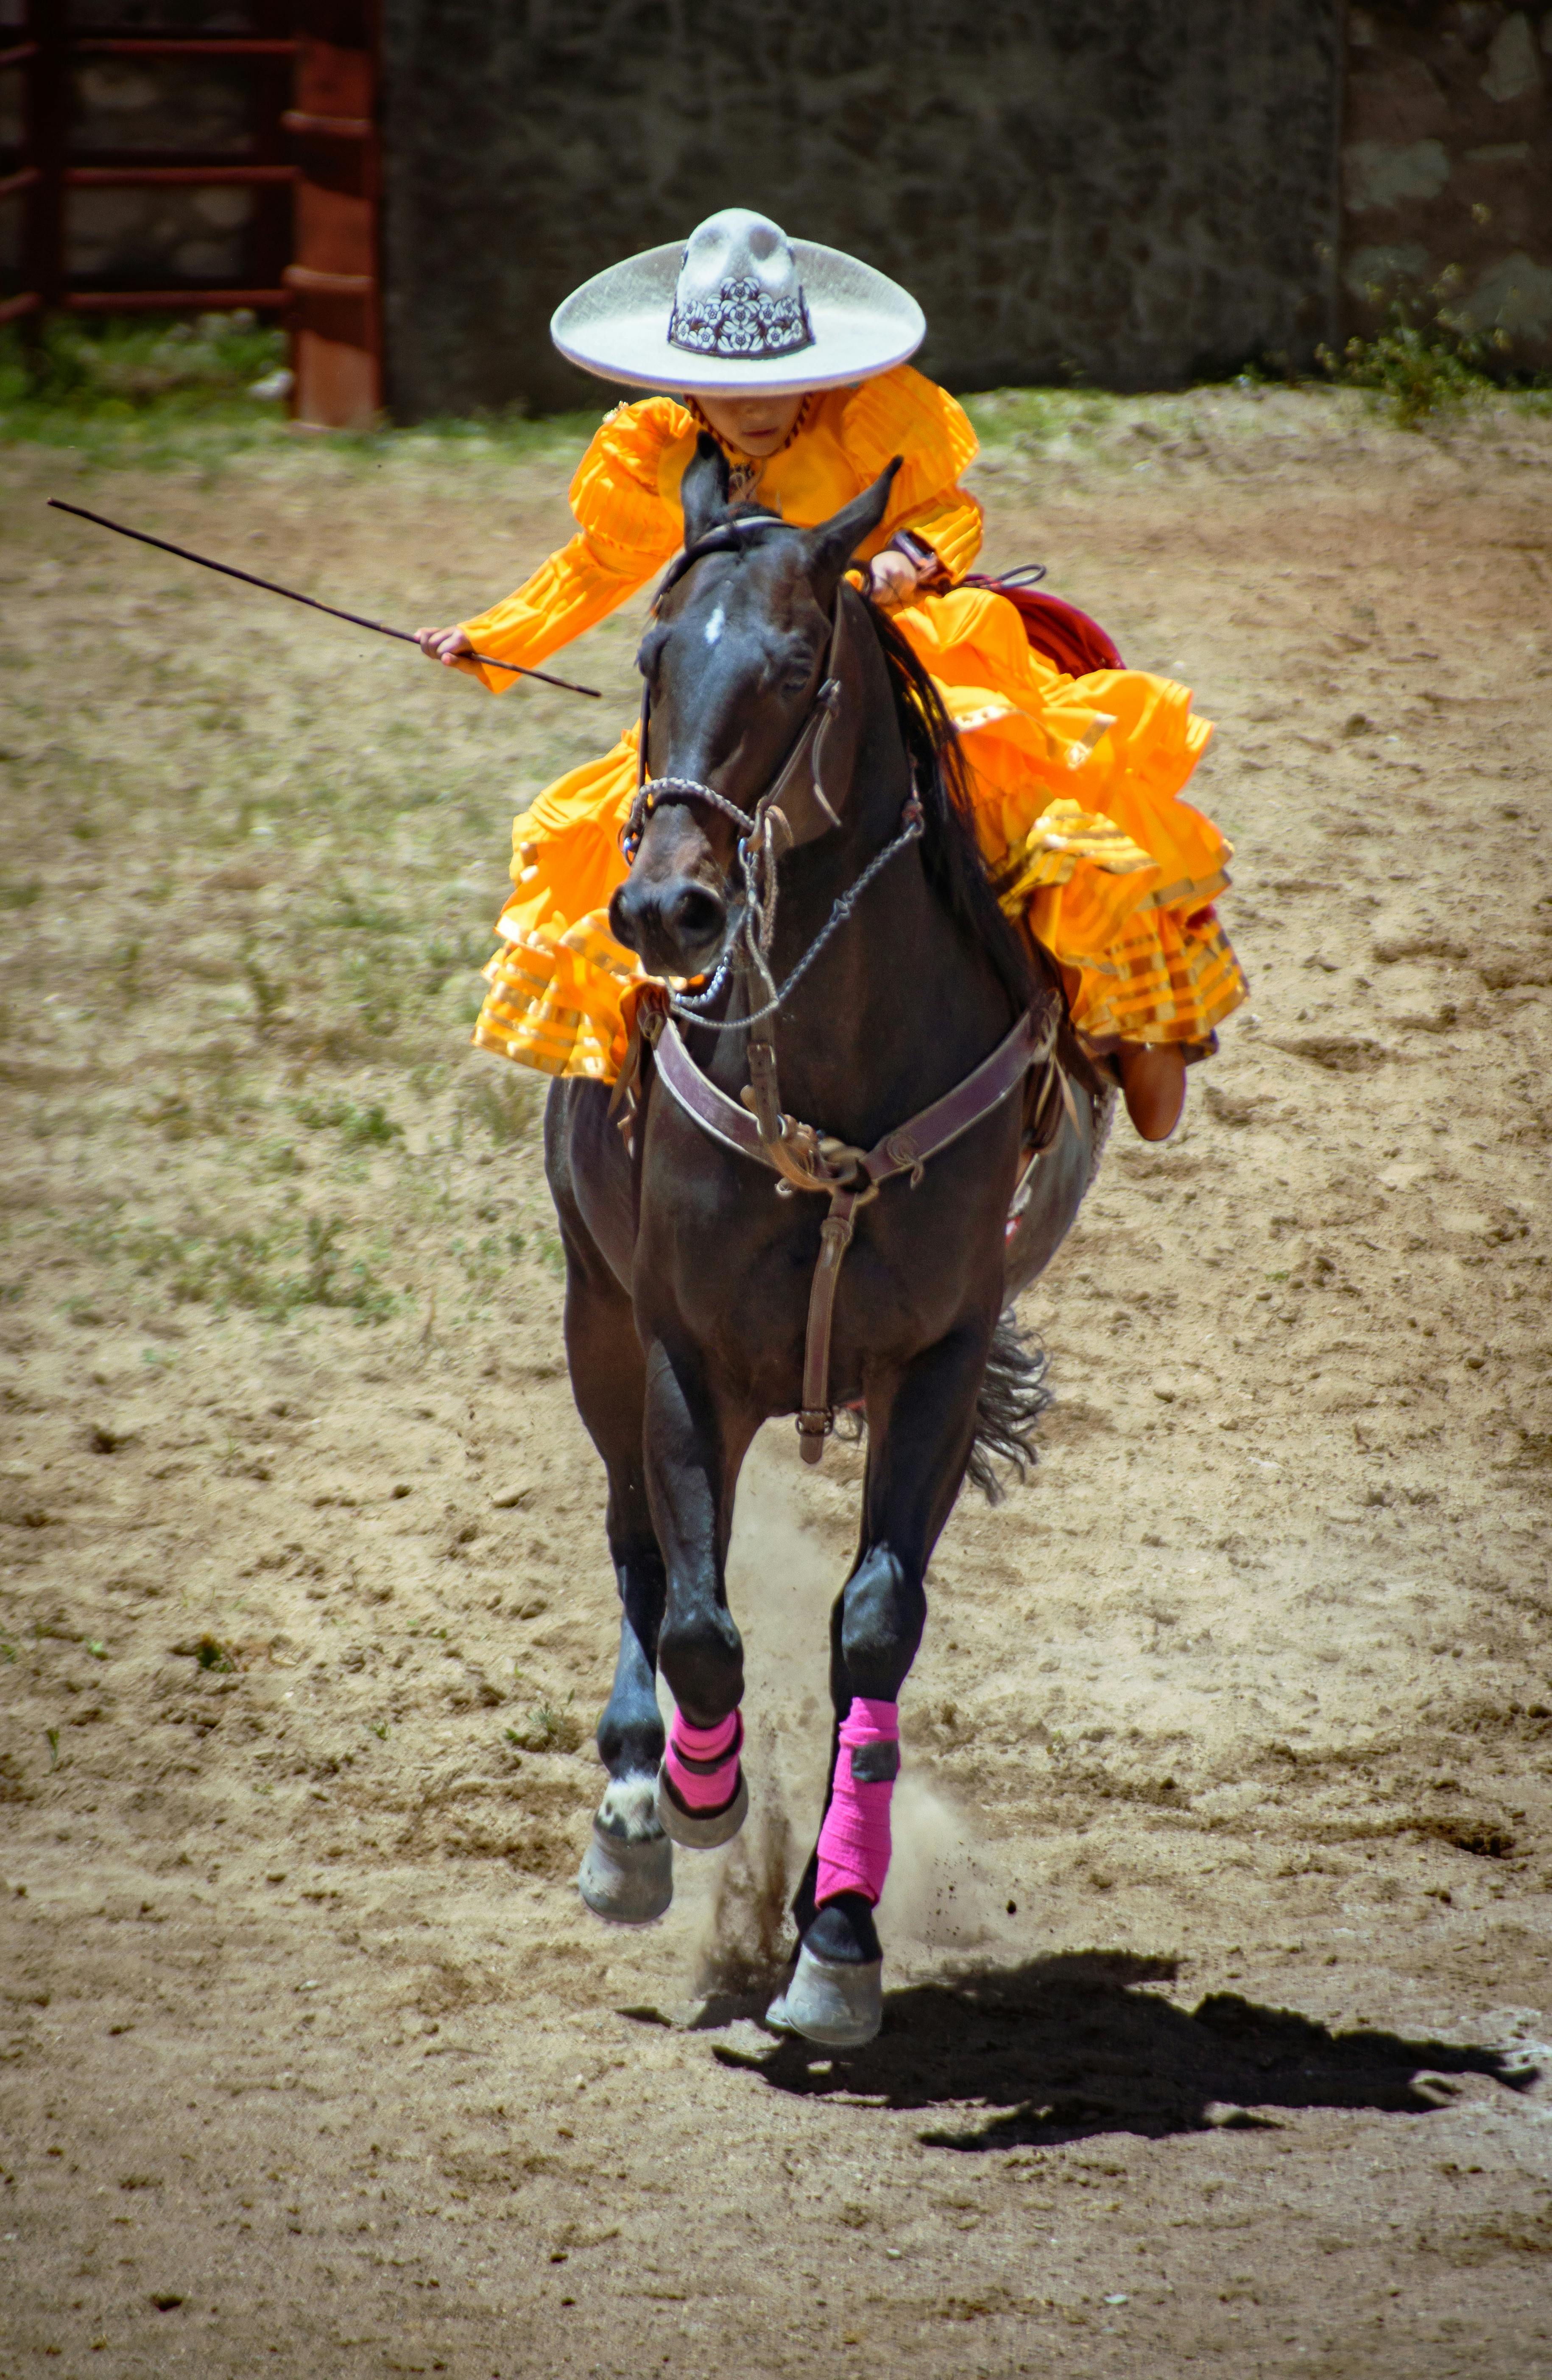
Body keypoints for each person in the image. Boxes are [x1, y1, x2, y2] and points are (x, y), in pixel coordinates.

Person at [415, 209, 1246, 1139]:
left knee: (1032, 793)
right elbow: (596, 565)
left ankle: (1121, 1021)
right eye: (731, 391)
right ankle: (643, 1071)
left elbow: (952, 509)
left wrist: (914, 559)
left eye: (779, 382)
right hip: (743, 675)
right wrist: (493, 637)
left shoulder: (868, 419)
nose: (759, 407)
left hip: (894, 637)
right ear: (684, 383)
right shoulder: (657, 453)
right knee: (638, 819)